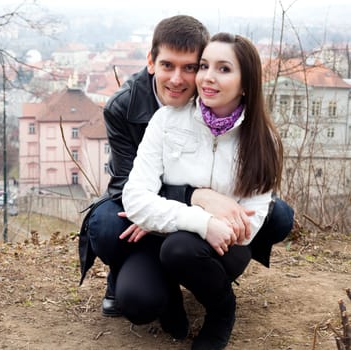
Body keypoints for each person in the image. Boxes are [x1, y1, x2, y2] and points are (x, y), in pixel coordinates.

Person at [77, 13, 293, 335]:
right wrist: (197, 198)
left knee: (278, 215)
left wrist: (220, 217)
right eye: (168, 66)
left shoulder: (239, 119)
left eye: (192, 67)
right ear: (151, 62)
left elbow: (250, 201)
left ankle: (209, 283)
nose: (180, 79)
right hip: (145, 207)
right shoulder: (132, 109)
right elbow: (128, 188)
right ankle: (129, 276)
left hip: (195, 228)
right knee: (109, 227)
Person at [121, 32, 286, 349]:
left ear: (246, 82)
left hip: (227, 243)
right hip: (163, 233)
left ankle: (222, 310)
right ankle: (168, 293)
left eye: (224, 69)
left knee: (181, 250)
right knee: (137, 301)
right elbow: (136, 200)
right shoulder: (167, 121)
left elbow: (250, 222)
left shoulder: (263, 138)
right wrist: (201, 220)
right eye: (205, 66)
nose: (208, 78)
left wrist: (214, 228)